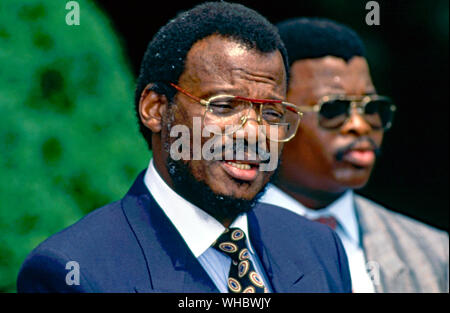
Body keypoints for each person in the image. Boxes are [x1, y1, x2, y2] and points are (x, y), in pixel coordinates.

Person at [17, 3, 351, 293]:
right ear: (156, 108)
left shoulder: (319, 248)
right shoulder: (74, 270)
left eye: (272, 113)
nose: (253, 132)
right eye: (224, 106)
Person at [261, 17, 449, 293]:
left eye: (372, 108)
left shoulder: (435, 253)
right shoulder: (217, 240)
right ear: (273, 118)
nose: (359, 125)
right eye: (333, 109)